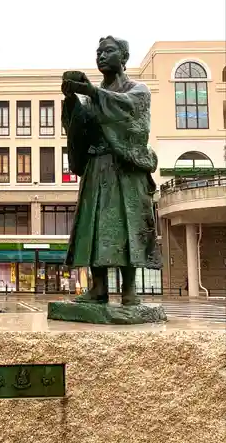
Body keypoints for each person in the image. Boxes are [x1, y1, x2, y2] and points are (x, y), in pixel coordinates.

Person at [61, 36, 162, 306]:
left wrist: (93, 92)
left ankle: (130, 291)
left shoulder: (138, 89)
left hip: (125, 168)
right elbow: (81, 127)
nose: (101, 56)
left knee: (127, 227)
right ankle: (98, 289)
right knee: (93, 227)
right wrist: (71, 100)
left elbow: (127, 111)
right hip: (97, 167)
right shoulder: (95, 98)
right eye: (98, 52)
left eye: (108, 51)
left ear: (124, 58)